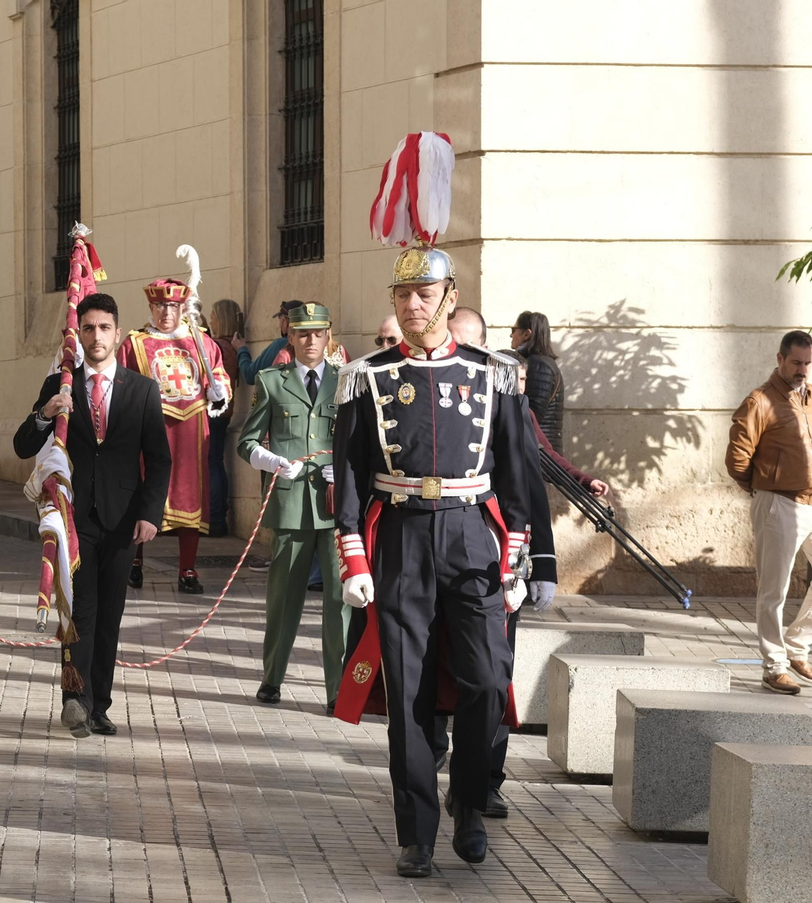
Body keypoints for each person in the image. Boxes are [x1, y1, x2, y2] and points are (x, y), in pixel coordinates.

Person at [334, 131, 534, 876]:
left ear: (451, 299)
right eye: (402, 294)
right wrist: (353, 554)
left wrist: (519, 557)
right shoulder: (367, 377)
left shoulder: (492, 374)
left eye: (425, 294)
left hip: (473, 535)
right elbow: (347, 473)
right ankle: (416, 830)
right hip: (400, 539)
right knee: (409, 688)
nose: (412, 305)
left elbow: (517, 476)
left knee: (485, 681)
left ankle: (471, 802)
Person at [14, 292, 172, 737]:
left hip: (123, 522)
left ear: (117, 334)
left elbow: (158, 458)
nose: (96, 336)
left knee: (109, 615)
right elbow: (23, 445)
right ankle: (75, 699)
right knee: (79, 610)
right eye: (88, 328)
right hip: (74, 518)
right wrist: (45, 414)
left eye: (104, 328)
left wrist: (150, 514)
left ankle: (99, 705)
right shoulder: (59, 385)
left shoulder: (142, 389)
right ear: (78, 334)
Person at [443, 309, 563, 819]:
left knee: (494, 673)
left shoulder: (505, 398)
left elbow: (528, 484)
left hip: (495, 564)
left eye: (472, 346)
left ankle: (485, 779)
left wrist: (543, 564)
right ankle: (432, 761)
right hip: (433, 559)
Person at [237, 302, 348, 713]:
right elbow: (247, 441)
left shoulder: (346, 381)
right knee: (283, 598)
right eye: (303, 333)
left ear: (328, 335)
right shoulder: (272, 381)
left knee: (339, 600)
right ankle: (272, 678)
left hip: (336, 506)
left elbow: (364, 441)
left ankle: (338, 691)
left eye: (318, 333)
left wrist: (346, 468)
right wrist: (270, 461)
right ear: (291, 336)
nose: (311, 341)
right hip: (290, 504)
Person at [725, 330, 812, 696]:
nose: (802, 370)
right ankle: (774, 667)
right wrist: (763, 488)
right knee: (773, 589)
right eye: (795, 362)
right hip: (780, 502)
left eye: (807, 363)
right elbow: (737, 458)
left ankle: (797, 647)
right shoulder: (759, 401)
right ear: (780, 359)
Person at [118, 249, 233, 593]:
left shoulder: (201, 342)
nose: (166, 313)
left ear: (182, 307)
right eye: (159, 306)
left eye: (171, 306)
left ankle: (187, 569)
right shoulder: (134, 344)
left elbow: (218, 375)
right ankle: (134, 562)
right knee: (144, 493)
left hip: (191, 431)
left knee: (189, 497)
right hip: (149, 430)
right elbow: (120, 385)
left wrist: (219, 391)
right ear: (150, 307)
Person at [205, 300, 243, 537]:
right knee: (216, 462)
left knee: (211, 464)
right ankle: (218, 517)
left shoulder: (217, 346)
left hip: (212, 411)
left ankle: (215, 518)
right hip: (225, 411)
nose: (210, 319)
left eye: (213, 315)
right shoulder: (231, 346)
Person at [510, 311, 564, 453]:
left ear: (527, 334)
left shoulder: (539, 365)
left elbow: (532, 415)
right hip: (537, 448)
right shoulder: (535, 362)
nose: (511, 335)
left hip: (540, 452)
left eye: (513, 330)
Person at [236, 300, 301, 384]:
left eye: (280, 320)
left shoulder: (280, 345)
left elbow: (250, 375)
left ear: (284, 322)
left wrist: (241, 349)